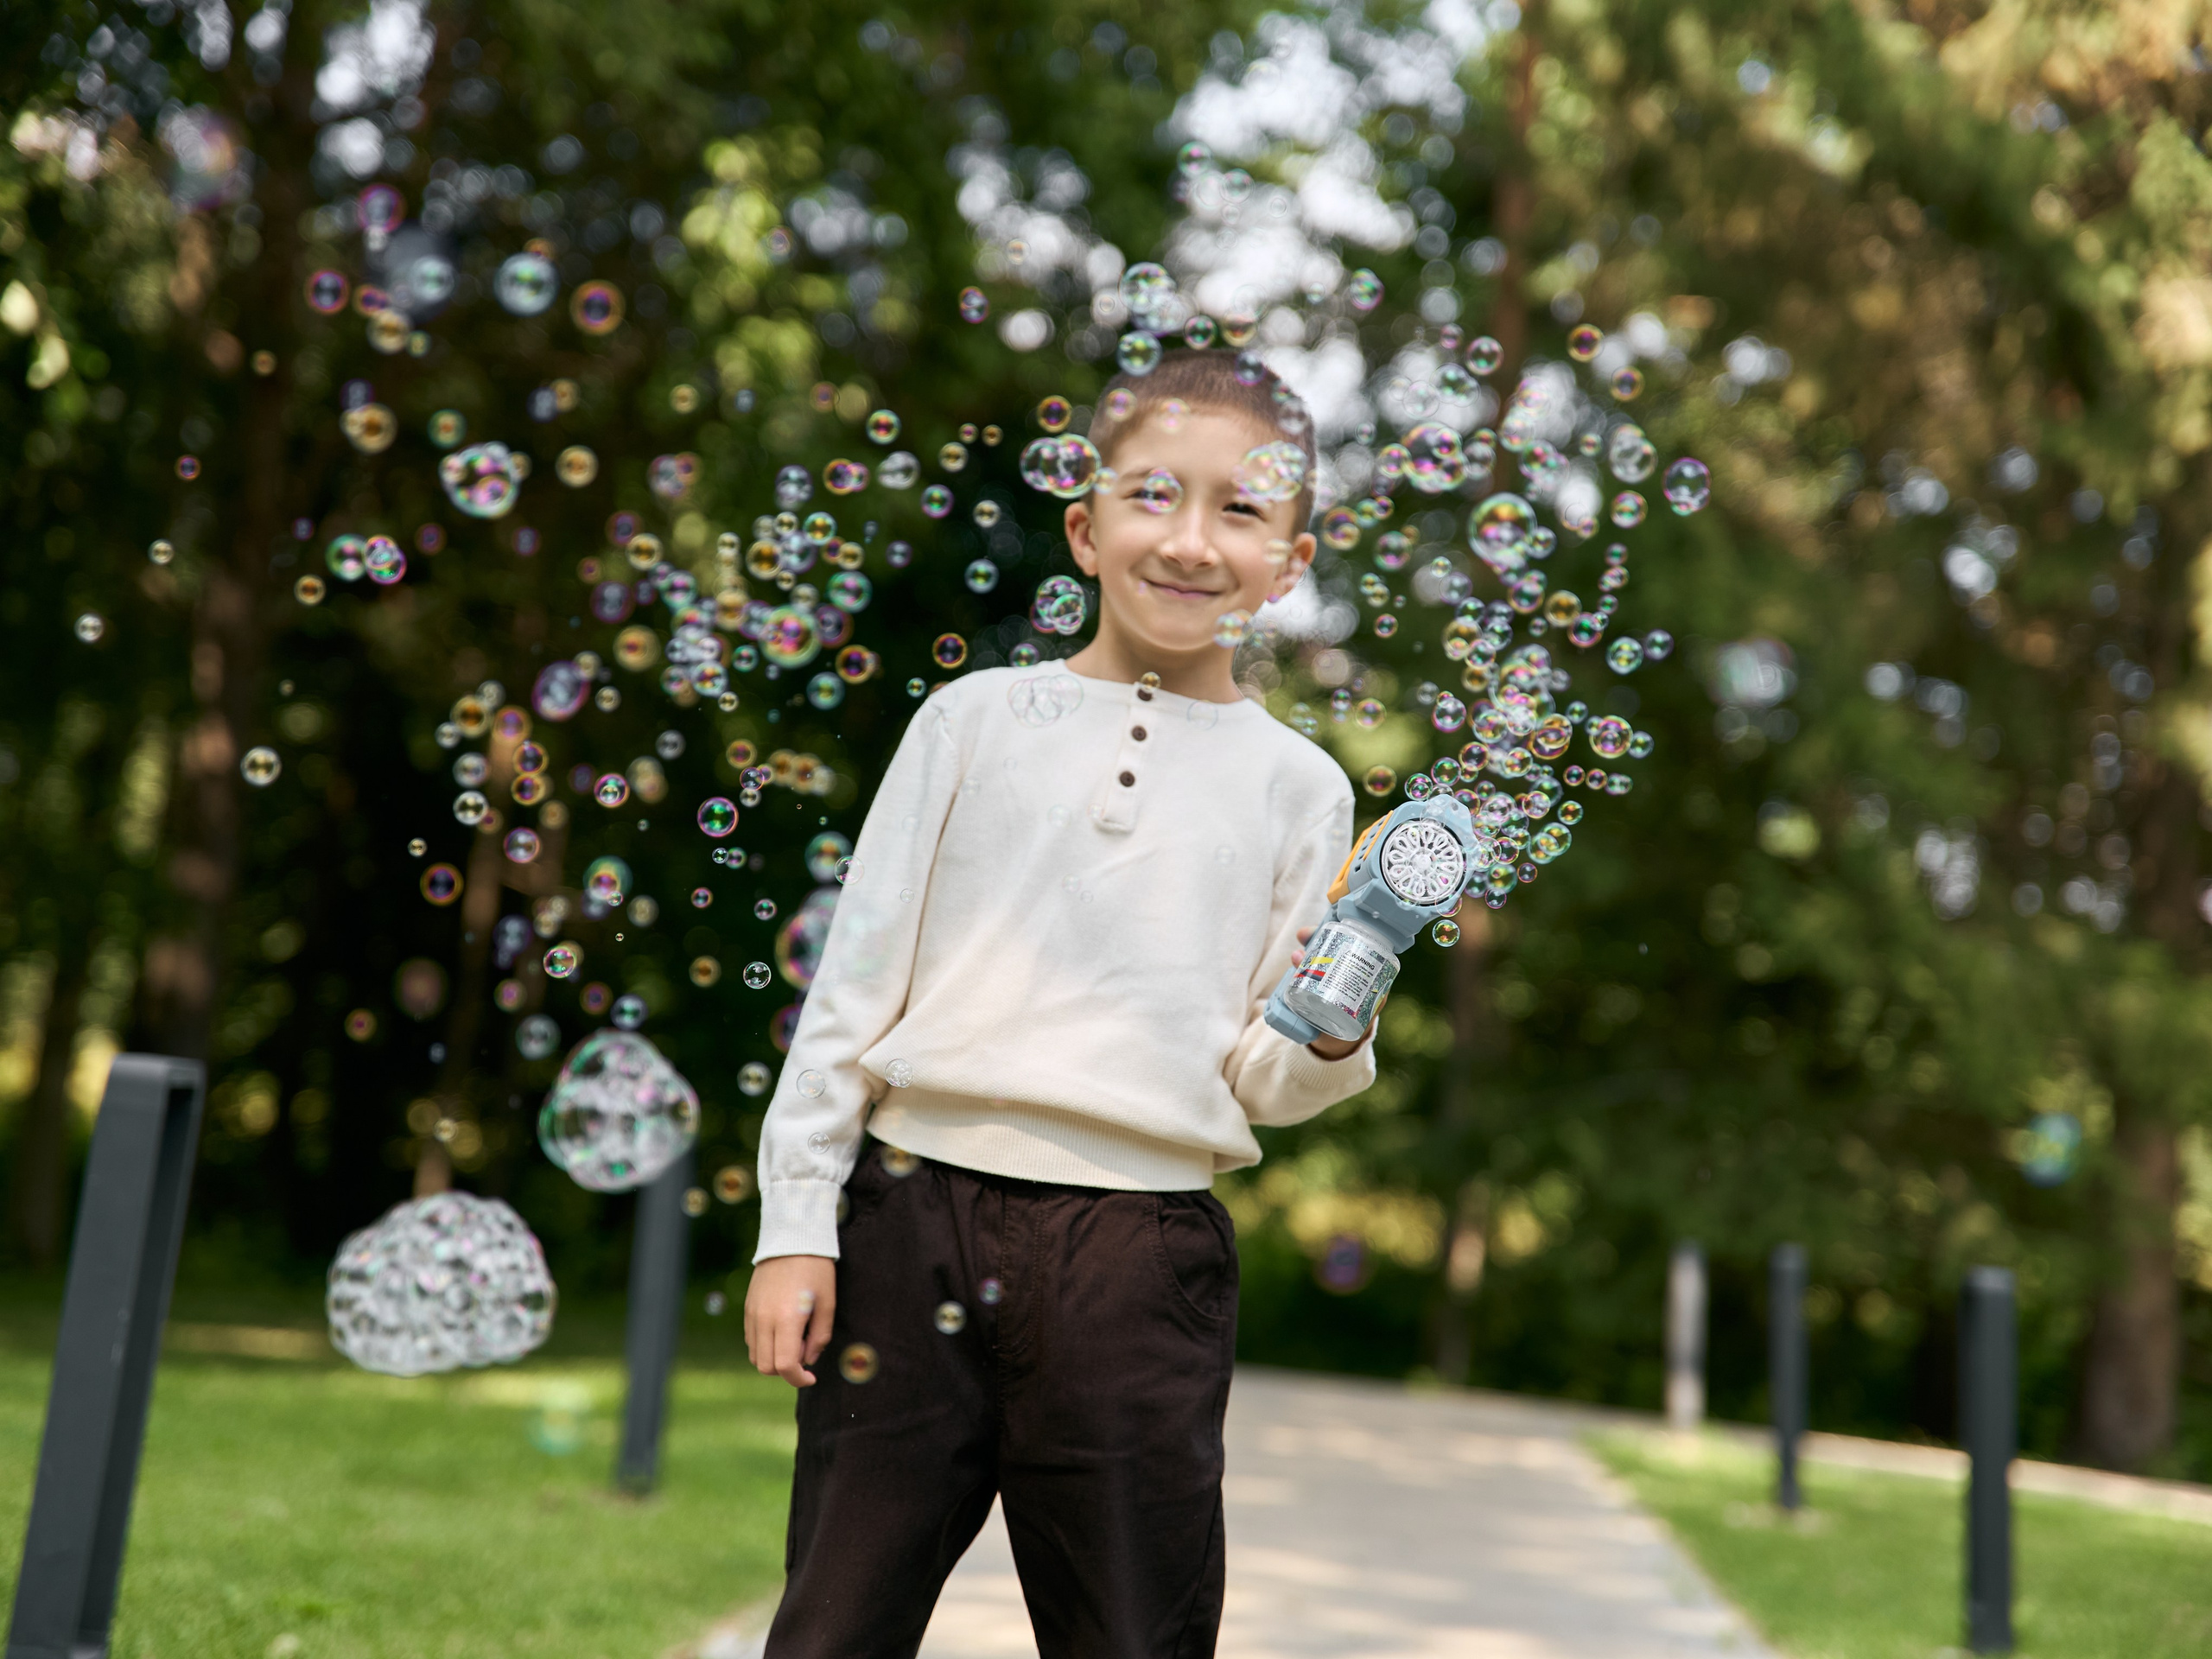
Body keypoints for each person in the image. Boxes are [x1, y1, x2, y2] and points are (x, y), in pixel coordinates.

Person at [746, 348, 1382, 1658]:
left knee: (1134, 1634)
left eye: (1240, 510)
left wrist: (1339, 1021)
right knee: (833, 1628)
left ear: (1290, 561)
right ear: (1086, 530)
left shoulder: (1301, 787)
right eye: (1153, 495)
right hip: (912, 1218)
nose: (1190, 540)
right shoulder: (973, 720)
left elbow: (1267, 1077)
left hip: (1140, 1262)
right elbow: (852, 990)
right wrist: (796, 1223)